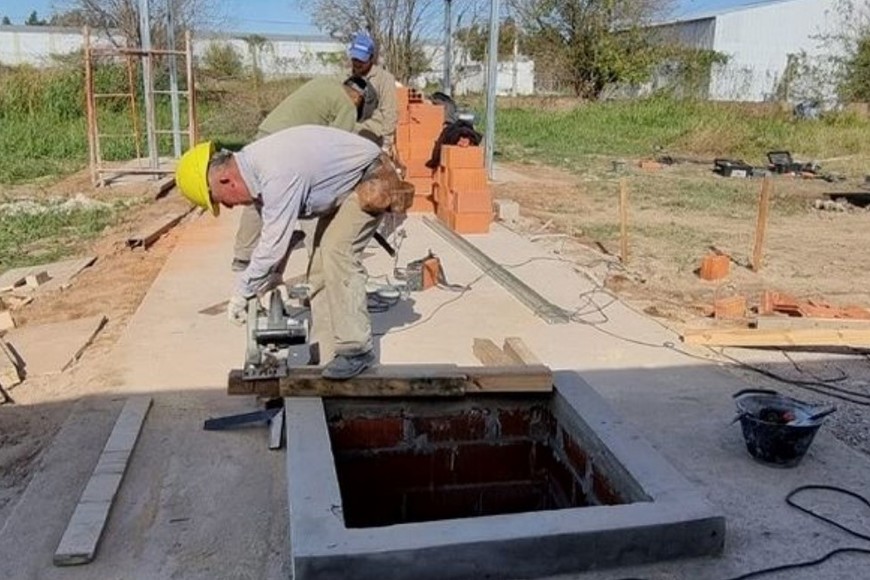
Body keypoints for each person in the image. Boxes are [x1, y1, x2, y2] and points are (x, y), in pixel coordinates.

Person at [175, 126, 391, 380]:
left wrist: (242, 292)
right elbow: (279, 231)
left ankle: (356, 351)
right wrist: (275, 274)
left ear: (225, 180)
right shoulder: (255, 171)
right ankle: (327, 355)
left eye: (221, 200)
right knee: (319, 270)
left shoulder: (274, 172)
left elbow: (273, 243)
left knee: (336, 251)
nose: (229, 206)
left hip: (371, 179)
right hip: (346, 186)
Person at [232, 75, 371, 272]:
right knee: (311, 201)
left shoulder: (325, 82)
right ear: (358, 98)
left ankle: (243, 255)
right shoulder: (347, 105)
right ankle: (318, 264)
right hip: (287, 150)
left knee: (256, 194)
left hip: (267, 134)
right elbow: (336, 148)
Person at [347, 32, 398, 151]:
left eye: (362, 60)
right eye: (355, 59)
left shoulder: (384, 79)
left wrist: (386, 143)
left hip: (372, 138)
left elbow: (390, 111)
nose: (357, 64)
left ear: (370, 58)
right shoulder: (345, 77)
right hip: (347, 136)